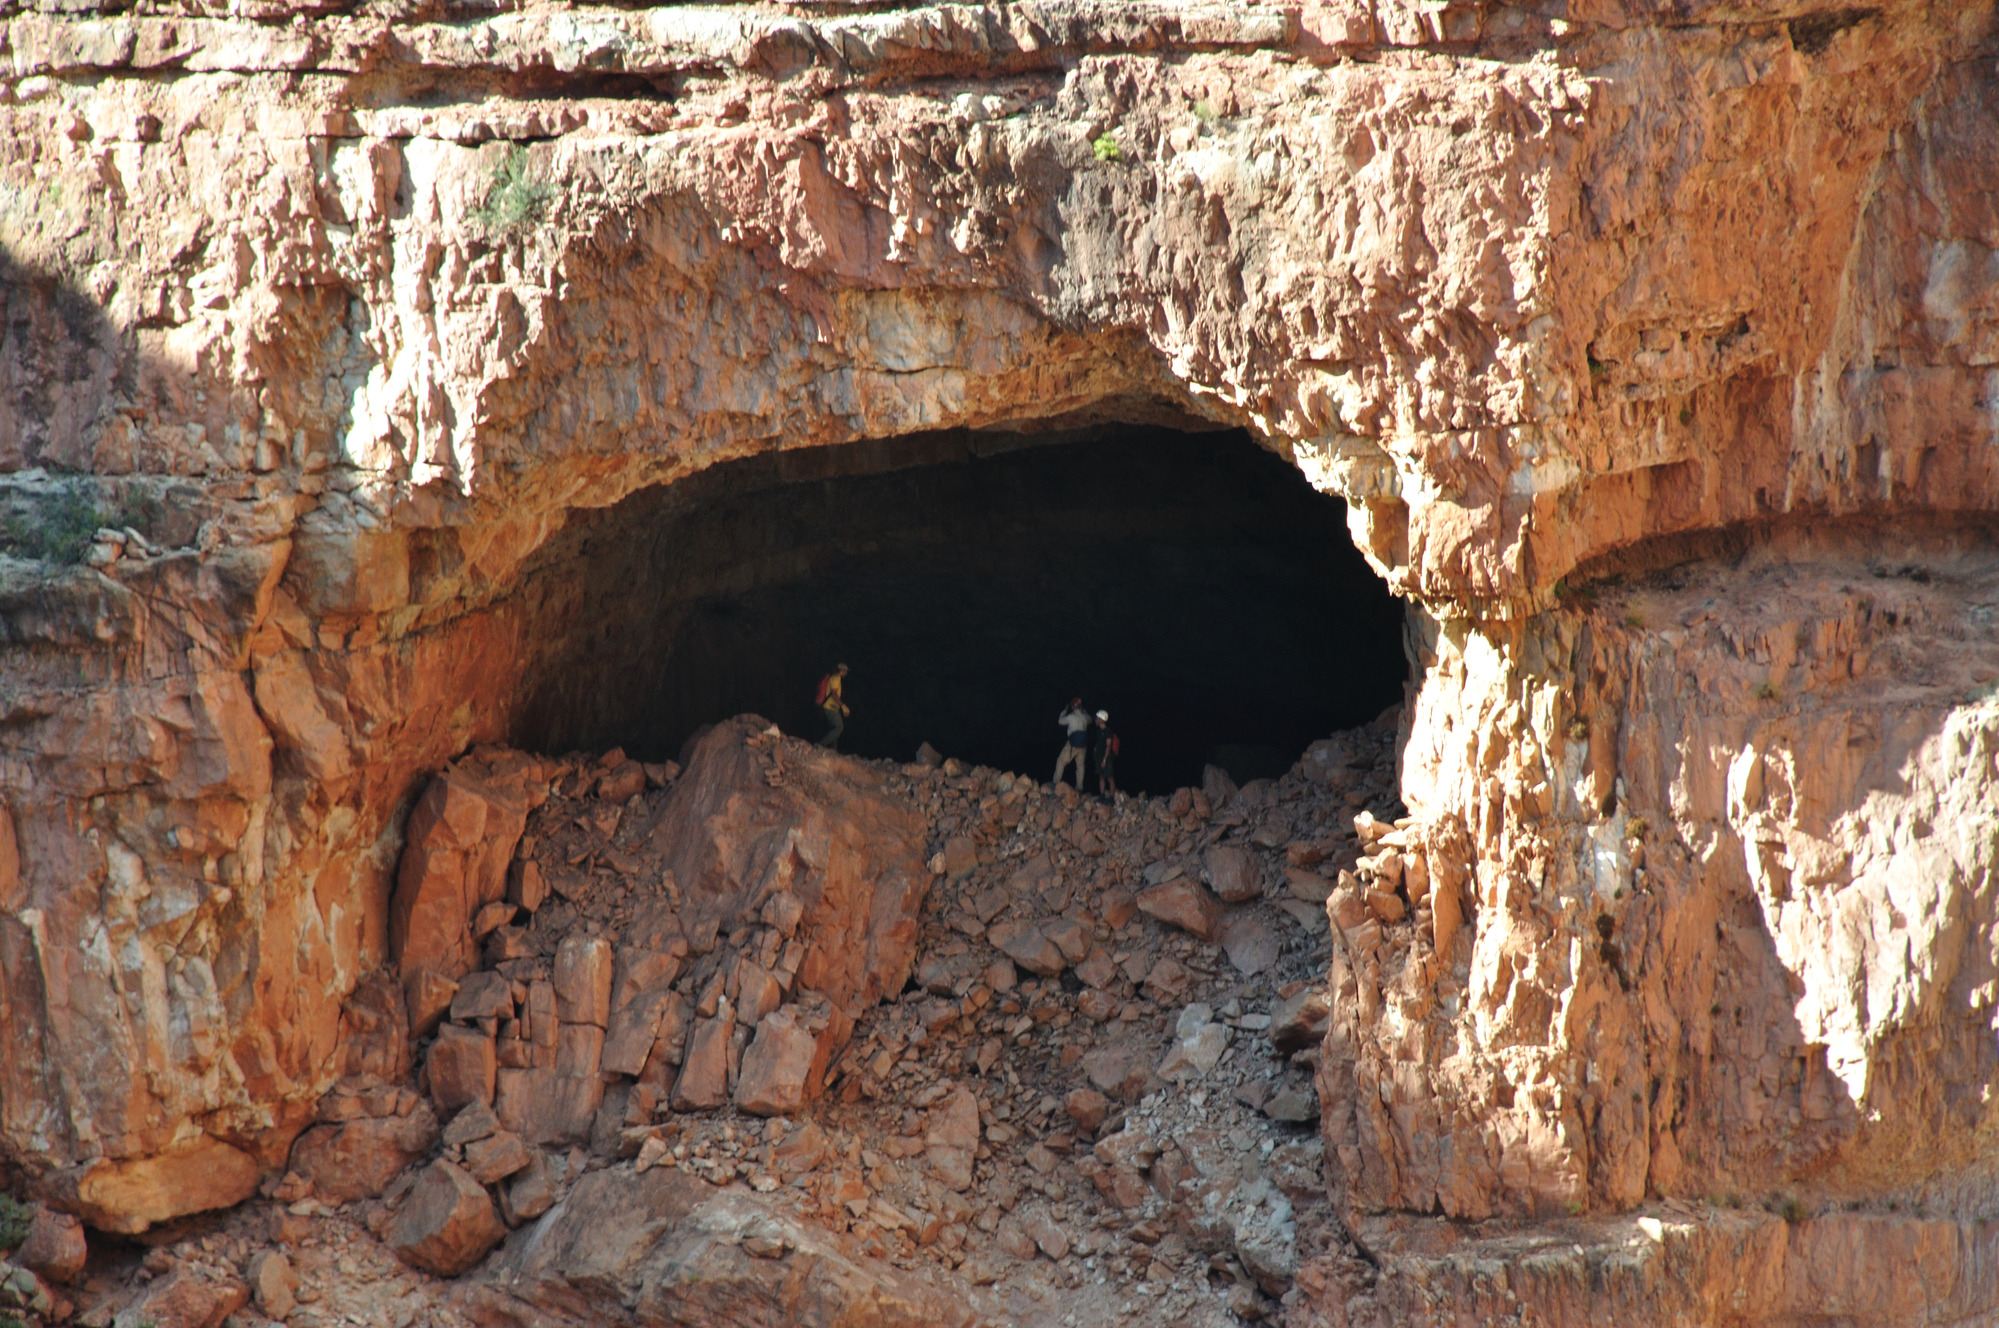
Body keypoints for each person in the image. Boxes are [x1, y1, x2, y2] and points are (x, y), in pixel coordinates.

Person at [1055, 697, 1091, 789]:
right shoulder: (1085, 717)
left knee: (1061, 761)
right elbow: (1090, 719)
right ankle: (1079, 787)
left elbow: (1060, 721)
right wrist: (1084, 710)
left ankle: (1055, 783)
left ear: (1073, 706)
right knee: (1080, 766)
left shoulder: (1071, 716)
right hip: (1083, 745)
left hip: (1072, 744)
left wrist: (1064, 710)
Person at [815, 663, 850, 749]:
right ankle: (820, 744)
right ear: (842, 671)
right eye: (845, 671)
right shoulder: (835, 678)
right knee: (839, 727)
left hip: (832, 707)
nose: (846, 673)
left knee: (834, 729)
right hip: (830, 707)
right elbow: (834, 694)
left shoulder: (836, 678)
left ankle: (833, 750)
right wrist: (843, 705)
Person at [1093, 710, 1119, 801]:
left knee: (1110, 778)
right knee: (1101, 776)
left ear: (1101, 719)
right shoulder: (1099, 730)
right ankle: (1102, 795)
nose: (1096, 719)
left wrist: (1104, 760)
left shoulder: (1108, 731)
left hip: (1106, 757)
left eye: (1097, 718)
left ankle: (1111, 798)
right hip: (1100, 756)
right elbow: (1100, 743)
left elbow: (1108, 746)